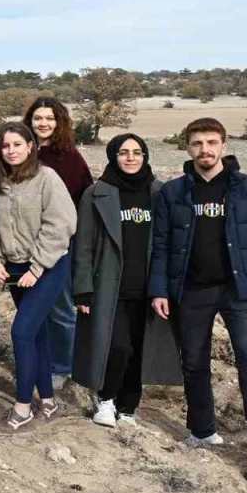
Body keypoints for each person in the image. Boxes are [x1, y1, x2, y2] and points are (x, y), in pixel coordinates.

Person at [149, 118, 247, 484]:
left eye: (212, 142)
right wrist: (160, 289)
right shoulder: (174, 192)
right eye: (197, 143)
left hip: (238, 290)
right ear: (187, 148)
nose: (205, 150)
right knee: (194, 362)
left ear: (224, 145)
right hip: (191, 289)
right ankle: (201, 431)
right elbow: (161, 245)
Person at [72, 133, 181, 428]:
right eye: (123, 152)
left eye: (137, 152)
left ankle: (129, 406)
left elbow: (170, 242)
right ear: (112, 157)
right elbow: (82, 245)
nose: (130, 158)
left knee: (140, 349)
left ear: (145, 156)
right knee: (118, 347)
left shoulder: (160, 193)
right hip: (110, 286)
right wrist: (82, 289)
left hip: (150, 287)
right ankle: (105, 400)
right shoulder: (96, 193)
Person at [0, 121, 77, 432]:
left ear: (30, 147)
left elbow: (61, 223)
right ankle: (48, 402)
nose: (11, 151)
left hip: (48, 266)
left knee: (21, 332)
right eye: (5, 146)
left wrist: (37, 268)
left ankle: (23, 407)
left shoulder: (46, 177)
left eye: (17, 145)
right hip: (16, 268)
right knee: (37, 333)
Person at [26, 96, 94, 389]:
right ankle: (39, 358)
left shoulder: (70, 158)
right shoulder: (23, 152)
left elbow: (84, 201)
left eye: (49, 119)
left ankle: (62, 366)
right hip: (26, 243)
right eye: (38, 118)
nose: (43, 123)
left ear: (59, 123)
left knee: (61, 309)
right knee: (33, 307)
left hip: (60, 246)